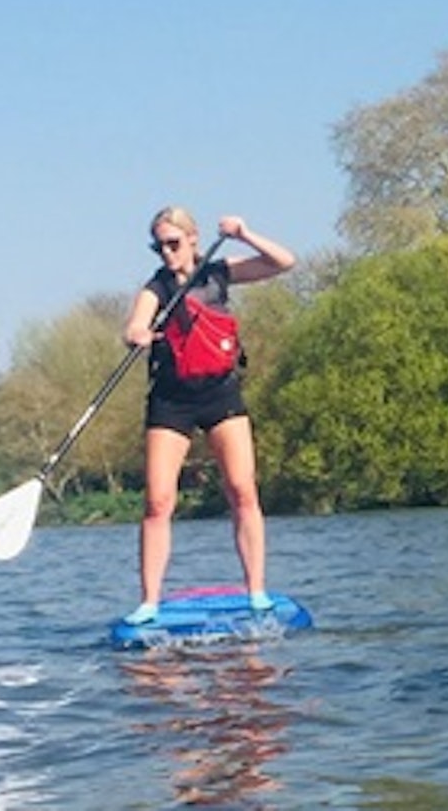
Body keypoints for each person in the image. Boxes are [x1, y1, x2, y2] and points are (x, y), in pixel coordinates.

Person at [120, 207, 296, 625]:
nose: (166, 253)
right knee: (158, 501)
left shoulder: (219, 273)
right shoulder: (156, 288)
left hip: (220, 393)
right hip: (171, 399)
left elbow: (283, 262)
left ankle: (255, 591)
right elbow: (133, 327)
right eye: (159, 246)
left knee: (242, 490)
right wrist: (137, 335)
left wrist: (245, 233)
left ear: (193, 238)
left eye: (173, 244)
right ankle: (149, 602)